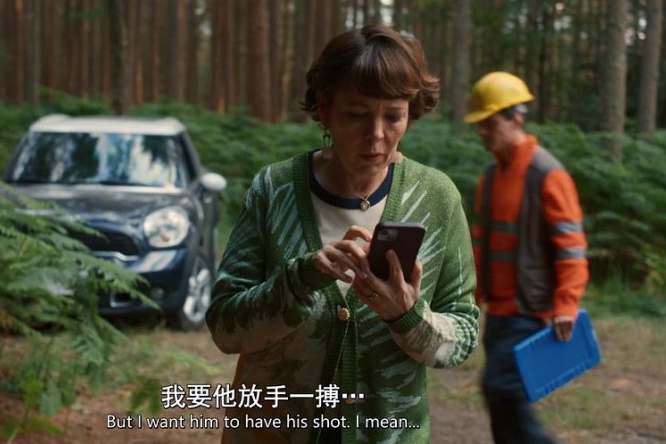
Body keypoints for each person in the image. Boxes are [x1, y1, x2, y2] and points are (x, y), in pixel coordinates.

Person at [207, 24, 479, 443]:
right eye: (357, 114)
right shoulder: (274, 190)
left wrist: (406, 315)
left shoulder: (435, 198)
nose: (377, 135)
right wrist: (300, 280)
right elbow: (226, 328)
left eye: (393, 116)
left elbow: (461, 336)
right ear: (325, 108)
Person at [464, 71, 590, 444]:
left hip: (531, 311)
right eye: (480, 125)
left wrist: (566, 303)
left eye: (490, 124)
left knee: (501, 388)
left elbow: (572, 248)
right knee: (502, 403)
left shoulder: (547, 175)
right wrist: (469, 296)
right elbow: (481, 245)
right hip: (498, 314)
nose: (483, 132)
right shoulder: (490, 178)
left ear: (516, 119)